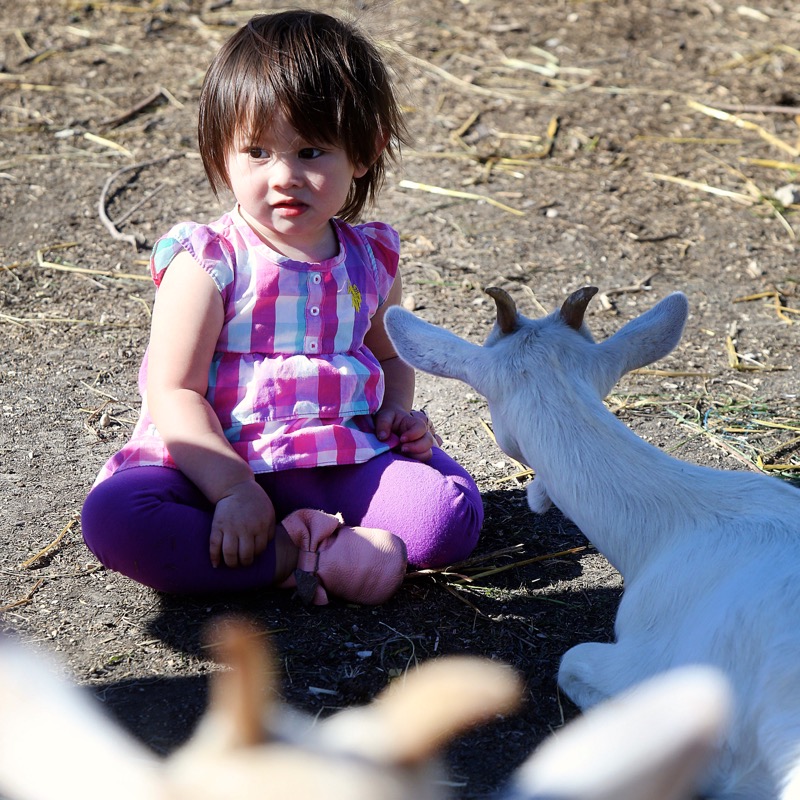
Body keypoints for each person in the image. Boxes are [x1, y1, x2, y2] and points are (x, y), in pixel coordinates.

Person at [81, 10, 483, 606]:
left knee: (447, 516)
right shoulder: (208, 260)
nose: (285, 176)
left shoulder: (369, 259)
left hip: (335, 454)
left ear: (364, 153)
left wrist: (396, 413)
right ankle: (300, 556)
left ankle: (287, 543)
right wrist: (233, 489)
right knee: (118, 518)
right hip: (215, 465)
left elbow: (388, 356)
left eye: (313, 151)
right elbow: (175, 391)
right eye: (259, 151)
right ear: (223, 155)